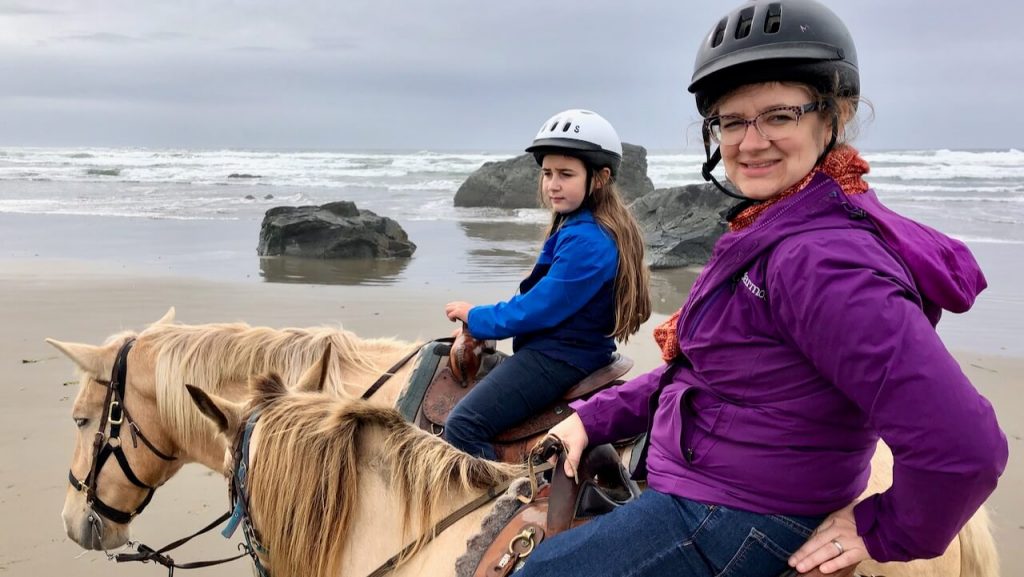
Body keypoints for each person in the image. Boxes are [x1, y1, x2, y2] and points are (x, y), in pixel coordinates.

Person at [519, 2, 1008, 576]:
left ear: (834, 116)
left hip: (739, 513)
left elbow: (965, 447)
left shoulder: (820, 261)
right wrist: (591, 418)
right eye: (731, 121)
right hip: (721, 482)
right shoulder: (777, 226)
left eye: (779, 115)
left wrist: (883, 528)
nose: (750, 143)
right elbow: (707, 371)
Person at [443, 109, 651, 460]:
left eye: (566, 174)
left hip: (560, 357)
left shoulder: (588, 240)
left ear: (599, 178)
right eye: (547, 173)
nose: (553, 184)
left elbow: (541, 306)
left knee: (463, 425)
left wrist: (477, 317)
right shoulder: (579, 225)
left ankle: (501, 502)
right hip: (565, 348)